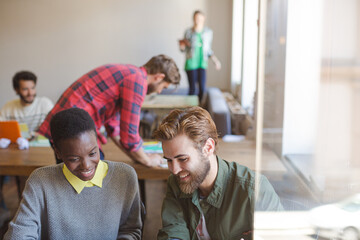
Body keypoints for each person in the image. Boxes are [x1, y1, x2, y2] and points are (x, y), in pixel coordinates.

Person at [4, 108, 142, 240]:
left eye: (93, 153)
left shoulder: (125, 176)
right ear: (58, 153)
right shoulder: (40, 182)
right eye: (74, 159)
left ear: (98, 142)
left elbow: (131, 230)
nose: (86, 165)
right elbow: (19, 233)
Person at [153, 107, 283, 240]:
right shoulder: (176, 182)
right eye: (169, 160)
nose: (174, 170)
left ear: (208, 148)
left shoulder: (255, 190)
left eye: (183, 159)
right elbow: (173, 233)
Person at [37, 54, 181, 167]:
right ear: (158, 77)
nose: (160, 91)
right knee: (92, 176)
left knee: (82, 180)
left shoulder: (129, 74)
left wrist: (140, 157)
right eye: (164, 87)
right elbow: (130, 135)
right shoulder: (137, 80)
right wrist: (148, 161)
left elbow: (115, 129)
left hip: (63, 125)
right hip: (72, 128)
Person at [179, 10, 221, 102]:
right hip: (191, 63)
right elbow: (183, 50)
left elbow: (208, 50)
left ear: (203, 19)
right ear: (193, 19)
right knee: (192, 89)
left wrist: (215, 61)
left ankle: (199, 109)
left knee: (202, 88)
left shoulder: (208, 32)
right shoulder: (188, 32)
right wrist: (181, 46)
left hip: (202, 63)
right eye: (195, 18)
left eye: (199, 18)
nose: (197, 20)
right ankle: (190, 110)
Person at [0, 71, 54, 138]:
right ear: (16, 90)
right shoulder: (8, 107)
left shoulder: (45, 104)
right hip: (16, 147)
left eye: (32, 88)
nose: (30, 93)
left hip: (41, 147)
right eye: (25, 89)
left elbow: (55, 128)